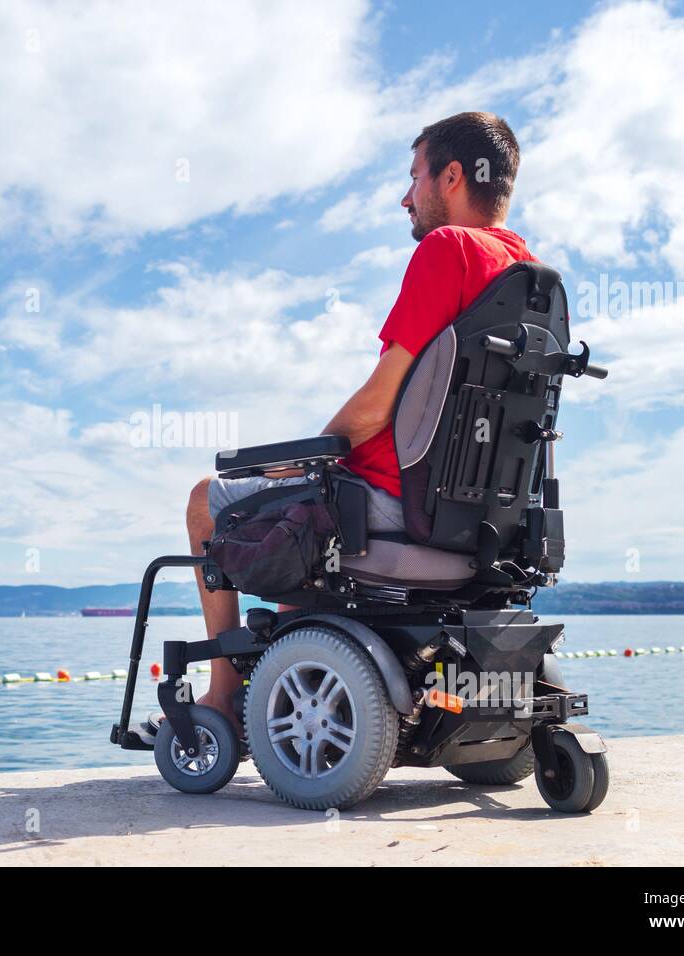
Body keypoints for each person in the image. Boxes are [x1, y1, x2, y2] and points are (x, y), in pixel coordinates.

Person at [184, 111, 536, 734]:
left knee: (206, 502)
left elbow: (377, 405)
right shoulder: (528, 280)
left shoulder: (448, 249)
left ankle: (221, 698)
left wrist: (308, 458)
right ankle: (286, 671)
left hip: (395, 507)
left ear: (452, 176)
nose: (406, 197)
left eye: (415, 178)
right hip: (484, 526)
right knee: (298, 516)